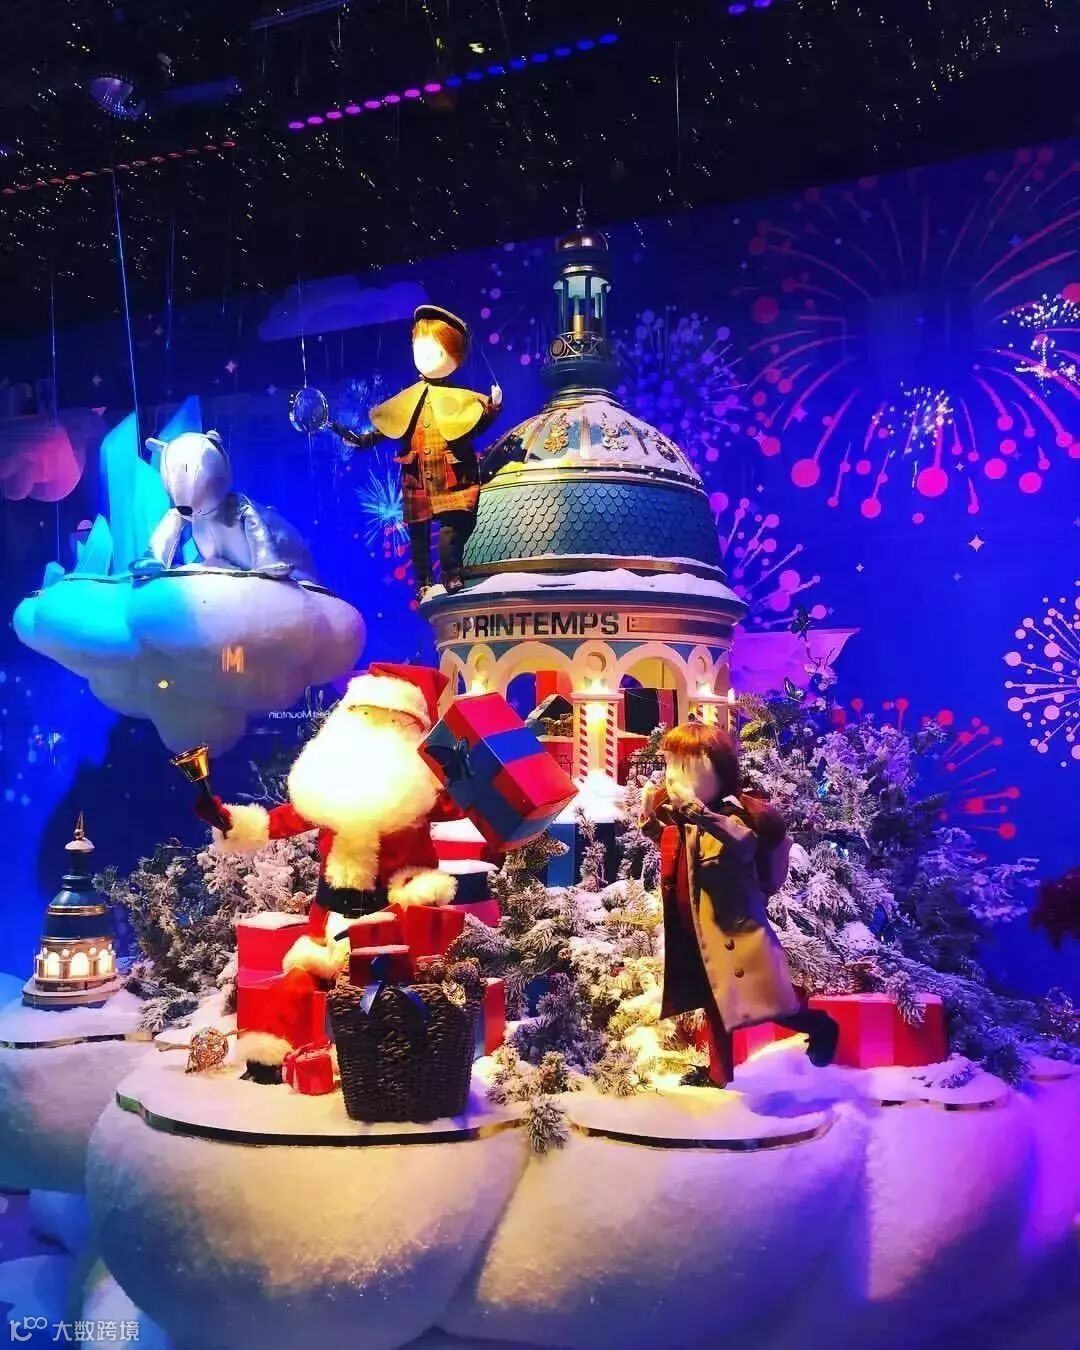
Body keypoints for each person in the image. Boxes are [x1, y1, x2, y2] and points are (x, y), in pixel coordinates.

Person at [640, 721, 838, 1087]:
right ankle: (718, 1075)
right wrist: (650, 821)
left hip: (737, 931)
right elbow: (678, 850)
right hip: (700, 927)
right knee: (713, 1002)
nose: (674, 779)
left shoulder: (732, 816)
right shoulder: (689, 820)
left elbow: (743, 843)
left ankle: (820, 1026)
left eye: (686, 769)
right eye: (671, 767)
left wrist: (696, 810)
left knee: (771, 1003)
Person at [340, 305, 501, 600]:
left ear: (455, 355)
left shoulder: (461, 399)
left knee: (452, 527)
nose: (426, 357)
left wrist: (491, 410)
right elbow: (390, 427)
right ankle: (424, 580)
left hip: (452, 473)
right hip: (417, 477)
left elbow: (472, 426)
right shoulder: (409, 398)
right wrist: (363, 441)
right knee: (418, 535)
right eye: (420, 349)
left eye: (436, 351)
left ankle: (451, 572)